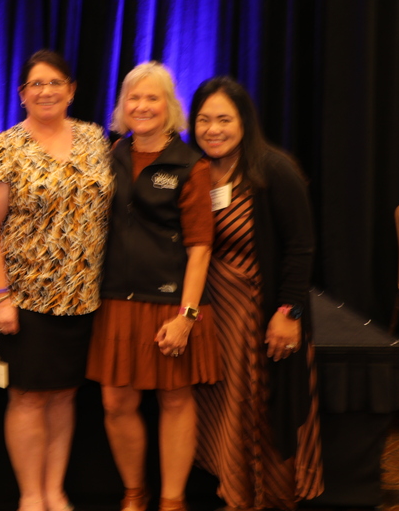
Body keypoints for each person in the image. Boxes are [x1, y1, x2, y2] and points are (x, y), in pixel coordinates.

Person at [0, 49, 113, 511]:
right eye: (36, 83)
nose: (46, 91)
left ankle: (56, 490)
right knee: (29, 398)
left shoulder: (95, 139)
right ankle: (31, 496)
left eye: (55, 83)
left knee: (65, 396)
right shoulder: (4, 148)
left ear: (71, 90)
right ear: (22, 94)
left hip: (82, 297)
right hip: (25, 298)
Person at [86, 62, 222, 511]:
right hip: (114, 301)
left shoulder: (191, 165)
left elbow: (200, 249)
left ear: (169, 107)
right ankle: (134, 492)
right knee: (114, 404)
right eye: (134, 97)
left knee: (176, 401)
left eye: (152, 97)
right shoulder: (109, 155)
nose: (142, 106)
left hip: (171, 304)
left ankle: (172, 499)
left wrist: (187, 316)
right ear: (122, 106)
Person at [189, 75, 324, 510]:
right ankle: (235, 493)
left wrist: (289, 313)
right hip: (217, 323)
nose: (213, 129)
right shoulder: (196, 171)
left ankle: (267, 498)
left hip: (261, 320)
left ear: (244, 121)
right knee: (228, 415)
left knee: (262, 413)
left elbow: (301, 247)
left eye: (224, 119)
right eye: (204, 120)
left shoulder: (273, 170)